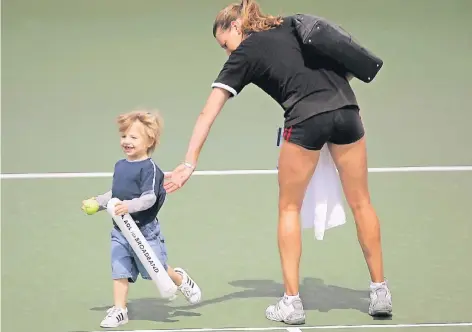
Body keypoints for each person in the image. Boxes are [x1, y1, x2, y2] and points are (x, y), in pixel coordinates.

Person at [163, 0, 392, 325]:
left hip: (305, 120)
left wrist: (189, 162)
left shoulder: (245, 52)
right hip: (347, 111)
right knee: (362, 203)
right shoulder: (292, 26)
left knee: (288, 208)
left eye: (224, 44)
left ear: (236, 27)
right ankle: (380, 292)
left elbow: (208, 112)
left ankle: (291, 303)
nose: (228, 53)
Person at [82, 110, 202, 328]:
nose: (126, 141)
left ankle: (180, 279)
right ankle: (120, 310)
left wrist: (128, 206)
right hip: (120, 230)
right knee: (119, 269)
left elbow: (148, 199)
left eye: (133, 137)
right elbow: (117, 193)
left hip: (145, 232)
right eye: (124, 136)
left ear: (150, 141)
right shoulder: (120, 166)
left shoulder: (150, 169)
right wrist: (99, 202)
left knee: (154, 270)